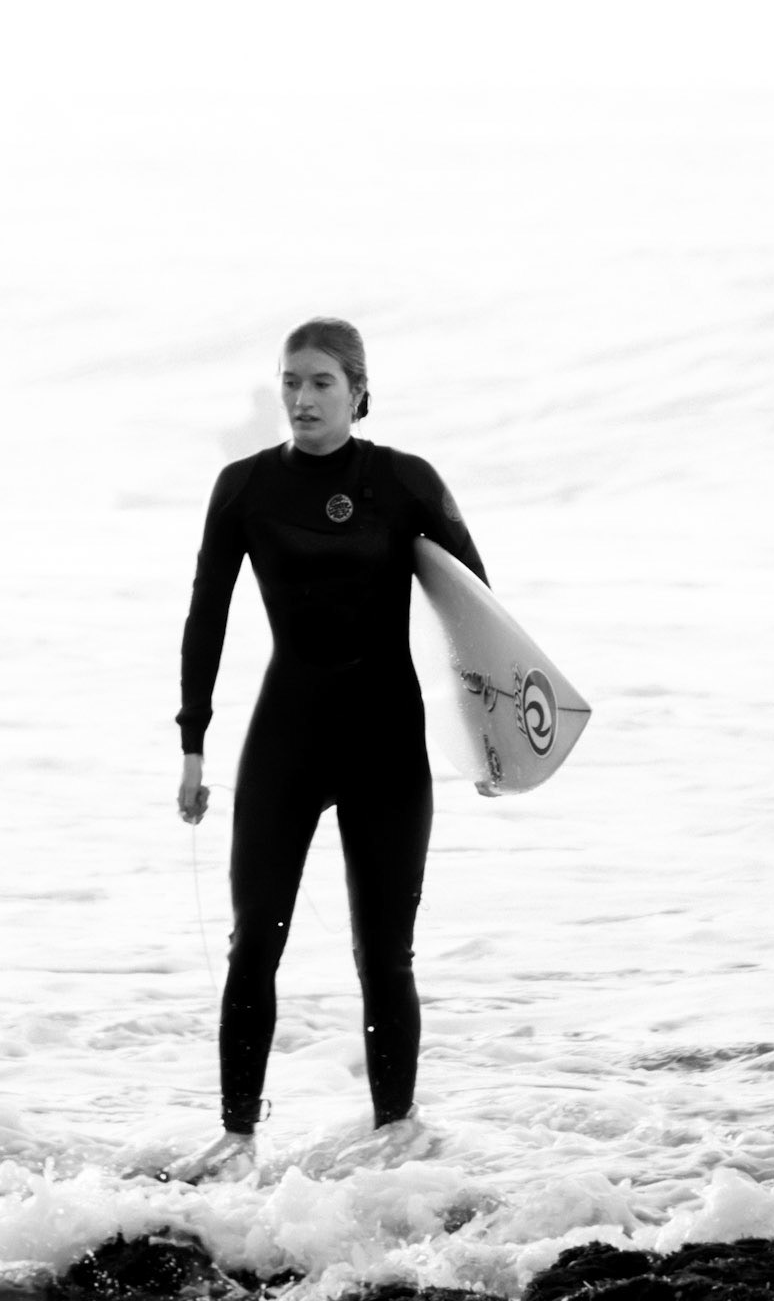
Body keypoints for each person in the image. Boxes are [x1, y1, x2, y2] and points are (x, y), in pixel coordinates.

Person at [171, 317, 488, 1181]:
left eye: (319, 383)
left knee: (385, 953)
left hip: (387, 744)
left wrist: (494, 745)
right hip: (288, 738)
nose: (302, 399)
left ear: (358, 391)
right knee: (254, 942)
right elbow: (206, 616)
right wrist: (194, 745)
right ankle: (237, 1137)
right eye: (290, 381)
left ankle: (397, 1133)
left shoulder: (404, 481)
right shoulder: (244, 487)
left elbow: (476, 614)